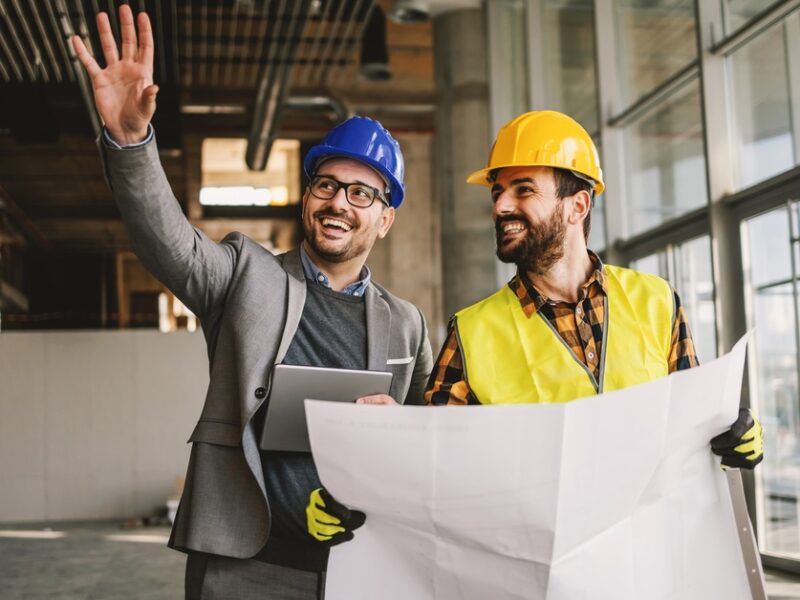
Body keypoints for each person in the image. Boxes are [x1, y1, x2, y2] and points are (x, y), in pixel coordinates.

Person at [72, 6, 432, 599]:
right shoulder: (247, 276)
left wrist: (400, 438)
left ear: (385, 218)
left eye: (362, 193)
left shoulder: (406, 324)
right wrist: (132, 140)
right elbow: (169, 244)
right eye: (327, 185)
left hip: (359, 565)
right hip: (245, 564)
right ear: (307, 195)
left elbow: (428, 433)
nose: (339, 202)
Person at [424, 109, 763, 470]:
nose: (500, 207)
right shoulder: (471, 332)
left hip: (652, 525)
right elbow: (436, 465)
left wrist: (734, 439)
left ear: (578, 206)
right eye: (497, 193)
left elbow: (692, 427)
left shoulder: (657, 301)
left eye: (523, 190)